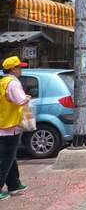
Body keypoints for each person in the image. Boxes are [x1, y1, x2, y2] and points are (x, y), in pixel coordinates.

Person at [0, 57, 30, 200]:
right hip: (10, 127)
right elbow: (20, 100)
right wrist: (28, 98)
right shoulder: (13, 83)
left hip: (3, 124)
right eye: (19, 67)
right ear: (12, 69)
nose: (21, 69)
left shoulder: (2, 82)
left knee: (10, 158)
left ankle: (14, 184)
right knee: (5, 159)